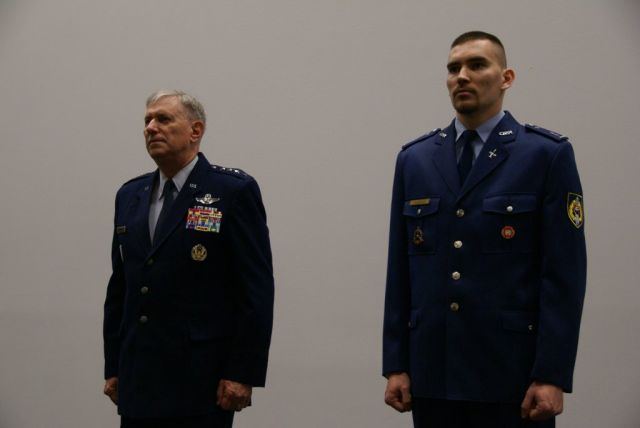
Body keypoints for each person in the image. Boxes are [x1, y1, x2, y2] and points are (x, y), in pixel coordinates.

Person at [382, 31, 586, 428]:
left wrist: (551, 374)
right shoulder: (416, 159)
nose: (462, 76)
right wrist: (396, 364)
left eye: (477, 65)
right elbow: (400, 271)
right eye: (453, 68)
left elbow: (564, 275)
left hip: (512, 374)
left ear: (506, 78)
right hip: (434, 372)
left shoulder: (545, 155)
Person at [103, 90, 274, 428]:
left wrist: (242, 372)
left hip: (200, 382)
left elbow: (255, 291)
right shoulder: (130, 195)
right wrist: (114, 365)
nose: (151, 127)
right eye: (147, 120)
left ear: (195, 130)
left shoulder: (231, 191)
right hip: (139, 379)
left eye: (163, 119)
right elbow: (120, 288)